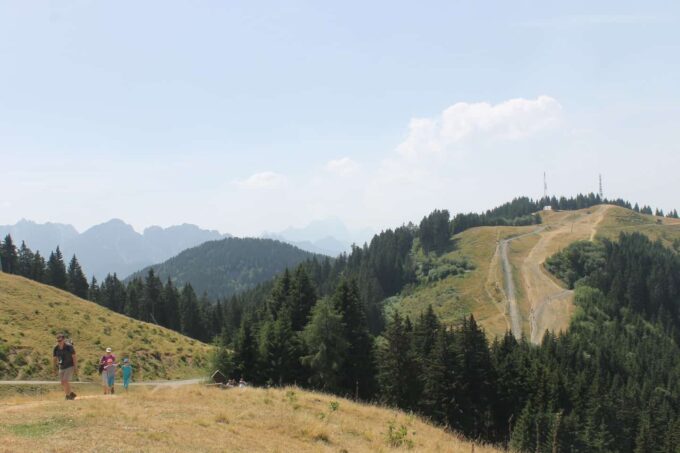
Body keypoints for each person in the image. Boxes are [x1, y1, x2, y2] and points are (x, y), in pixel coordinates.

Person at [52, 333, 77, 400]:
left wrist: (75, 367)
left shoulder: (69, 347)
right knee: (62, 383)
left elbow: (74, 357)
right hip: (61, 366)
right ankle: (70, 394)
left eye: (60, 341)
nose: (59, 342)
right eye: (58, 341)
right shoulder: (56, 348)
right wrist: (54, 369)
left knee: (65, 380)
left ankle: (68, 396)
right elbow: (54, 359)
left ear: (64, 340)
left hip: (70, 366)